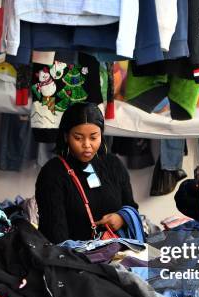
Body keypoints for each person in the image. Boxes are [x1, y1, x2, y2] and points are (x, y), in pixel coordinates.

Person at [36, 102, 138, 243]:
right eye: (78, 138)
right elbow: (54, 234)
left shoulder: (113, 164)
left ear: (101, 135)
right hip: (74, 258)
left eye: (94, 137)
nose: (87, 145)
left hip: (116, 254)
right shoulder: (52, 173)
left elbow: (131, 206)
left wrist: (121, 218)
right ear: (66, 136)